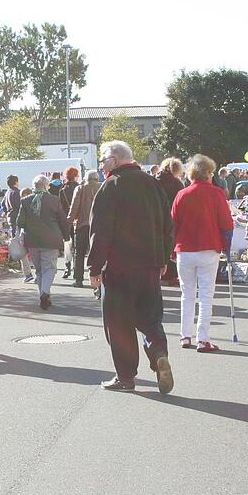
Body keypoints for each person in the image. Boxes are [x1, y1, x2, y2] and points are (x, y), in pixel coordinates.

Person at [88, 140, 174, 394]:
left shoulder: (111, 186)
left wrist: (94, 268)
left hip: (119, 267)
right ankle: (159, 354)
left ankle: (125, 377)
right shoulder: (152, 184)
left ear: (114, 160)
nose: (101, 165)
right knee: (150, 318)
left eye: (103, 160)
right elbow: (167, 225)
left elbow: (100, 231)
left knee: (119, 323)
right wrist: (163, 259)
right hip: (150, 265)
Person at [171, 154, 233, 353]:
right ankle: (203, 338)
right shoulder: (216, 193)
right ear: (207, 173)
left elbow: (172, 224)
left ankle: (185, 335)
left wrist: (172, 248)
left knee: (186, 294)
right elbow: (226, 223)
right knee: (206, 296)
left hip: (184, 250)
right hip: (208, 248)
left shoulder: (181, 194)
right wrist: (226, 246)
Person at [18, 174, 69, 310]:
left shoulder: (25, 201)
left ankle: (43, 295)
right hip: (51, 240)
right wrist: (66, 237)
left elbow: (20, 222)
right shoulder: (54, 200)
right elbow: (63, 220)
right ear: (46, 186)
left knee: (39, 270)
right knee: (49, 268)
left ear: (33, 186)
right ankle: (45, 293)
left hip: (32, 240)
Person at [67, 170, 100, 288]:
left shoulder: (80, 188)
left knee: (79, 253)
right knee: (98, 253)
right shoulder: (102, 187)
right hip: (98, 226)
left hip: (82, 225)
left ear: (86, 178)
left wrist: (68, 223)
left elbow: (74, 207)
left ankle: (78, 279)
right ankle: (98, 280)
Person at [156, 157, 185, 284]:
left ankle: (161, 273)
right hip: (170, 217)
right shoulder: (176, 183)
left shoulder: (154, 180)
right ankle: (168, 274)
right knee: (169, 245)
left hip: (156, 217)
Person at [3, 175, 34, 283]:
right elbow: (22, 207)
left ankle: (27, 273)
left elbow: (3, 205)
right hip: (20, 222)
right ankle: (30, 271)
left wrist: (8, 213)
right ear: (16, 182)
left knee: (19, 247)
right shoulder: (17, 193)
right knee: (27, 246)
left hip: (11, 220)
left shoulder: (7, 193)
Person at [59, 167, 80, 279]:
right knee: (77, 246)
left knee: (67, 245)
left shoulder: (62, 190)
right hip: (78, 220)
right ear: (75, 176)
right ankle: (77, 270)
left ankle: (67, 268)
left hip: (66, 221)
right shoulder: (80, 187)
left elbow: (60, 208)